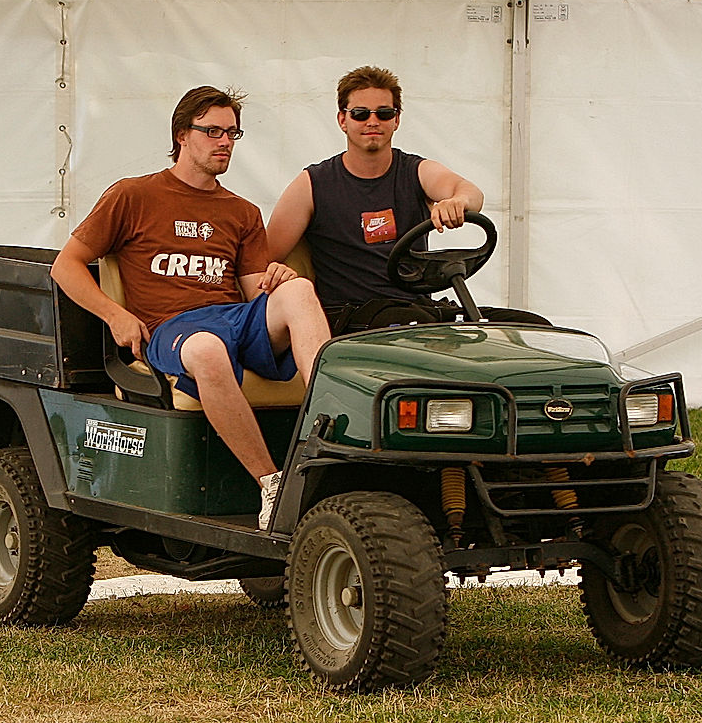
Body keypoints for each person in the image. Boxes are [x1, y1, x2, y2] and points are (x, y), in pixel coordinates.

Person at [50, 86, 330, 529]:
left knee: (298, 292)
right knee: (205, 349)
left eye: (232, 133)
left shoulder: (242, 210)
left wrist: (279, 280)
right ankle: (272, 484)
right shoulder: (133, 195)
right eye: (213, 131)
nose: (225, 142)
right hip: (172, 327)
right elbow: (65, 267)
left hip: (233, 317)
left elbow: (254, 288)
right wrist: (115, 314)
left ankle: (333, 433)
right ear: (183, 134)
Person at [266, 65, 549, 332]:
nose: (372, 122)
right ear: (343, 120)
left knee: (533, 326)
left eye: (384, 113)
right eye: (361, 114)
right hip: (353, 318)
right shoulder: (312, 183)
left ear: (397, 119)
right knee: (413, 326)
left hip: (418, 308)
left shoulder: (415, 171)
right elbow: (262, 258)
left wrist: (457, 203)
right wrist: (282, 276)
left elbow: (469, 191)